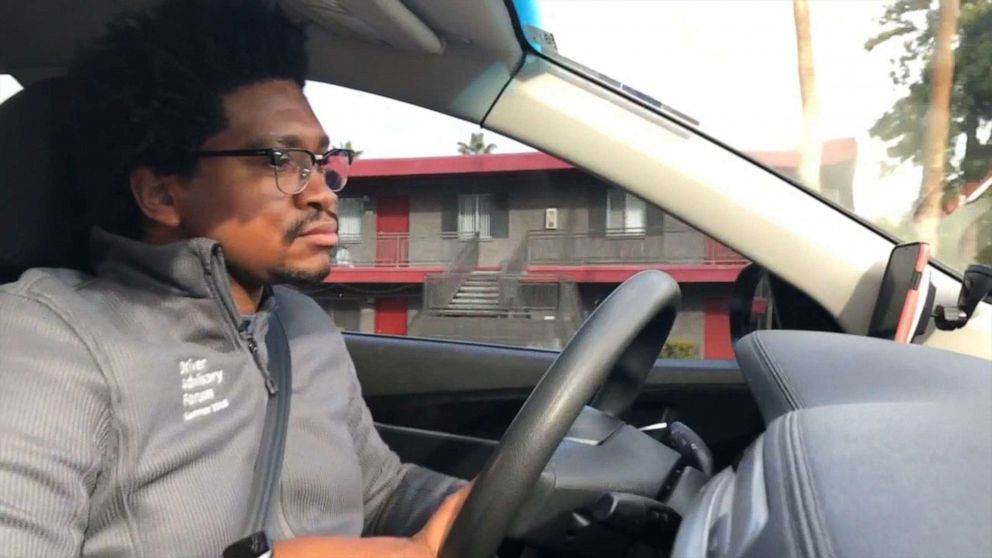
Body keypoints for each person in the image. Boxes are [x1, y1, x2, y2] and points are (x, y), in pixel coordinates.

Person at [0, 0, 469, 556]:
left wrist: (488, 499)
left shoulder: (301, 325)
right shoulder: (46, 339)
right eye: (280, 159)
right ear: (162, 193)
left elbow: (379, 493)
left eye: (321, 161)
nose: (321, 191)